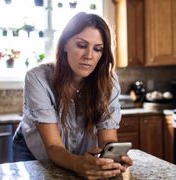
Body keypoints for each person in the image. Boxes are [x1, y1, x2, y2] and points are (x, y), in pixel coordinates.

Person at [13, 12, 133, 179]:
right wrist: (78, 164)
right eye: (81, 45)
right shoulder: (37, 78)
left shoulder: (108, 80)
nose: (89, 56)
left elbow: (108, 138)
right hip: (34, 150)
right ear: (64, 45)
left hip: (79, 153)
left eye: (97, 49)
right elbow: (53, 146)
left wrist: (113, 157)